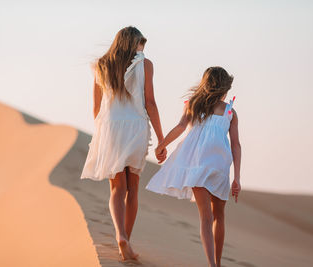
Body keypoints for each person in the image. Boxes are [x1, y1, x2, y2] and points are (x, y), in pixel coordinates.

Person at [80, 26, 166, 261]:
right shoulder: (145, 64)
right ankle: (126, 239)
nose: (142, 50)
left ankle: (121, 236)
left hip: (110, 127)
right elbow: (150, 102)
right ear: (134, 43)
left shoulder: (101, 65)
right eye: (141, 45)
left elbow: (96, 108)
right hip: (136, 127)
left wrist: (101, 136)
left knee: (117, 188)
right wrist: (161, 139)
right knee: (133, 188)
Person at [146, 66, 241, 267]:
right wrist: (237, 178)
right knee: (219, 216)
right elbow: (236, 145)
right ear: (224, 87)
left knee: (206, 218)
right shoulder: (230, 112)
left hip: (197, 166)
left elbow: (181, 128)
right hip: (219, 167)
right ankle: (217, 263)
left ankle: (212, 264)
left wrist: (162, 145)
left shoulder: (194, 105)